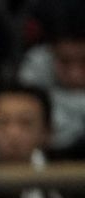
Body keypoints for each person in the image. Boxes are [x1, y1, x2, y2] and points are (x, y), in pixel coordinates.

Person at [19, 15, 85, 158]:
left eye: (84, 62)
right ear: (50, 53)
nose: (76, 74)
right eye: (65, 61)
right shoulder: (35, 67)